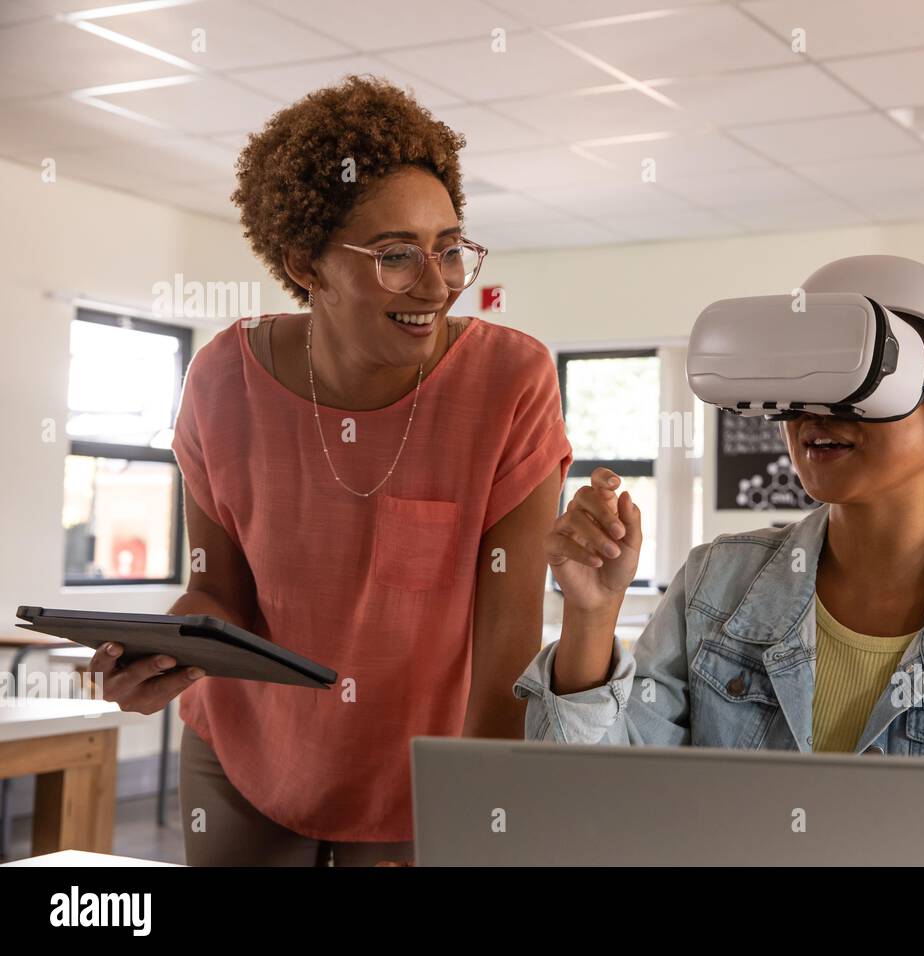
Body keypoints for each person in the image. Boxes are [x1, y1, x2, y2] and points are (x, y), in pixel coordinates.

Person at [88, 75, 573, 865]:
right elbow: (220, 589)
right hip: (246, 751)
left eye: (450, 247)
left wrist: (482, 815)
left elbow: (508, 649)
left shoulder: (510, 383)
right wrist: (164, 654)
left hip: (421, 771)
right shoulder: (221, 379)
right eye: (395, 256)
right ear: (306, 264)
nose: (439, 282)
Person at [515, 258, 924, 865]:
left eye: (858, 381)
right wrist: (591, 616)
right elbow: (593, 802)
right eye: (802, 378)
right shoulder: (715, 587)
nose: (815, 414)